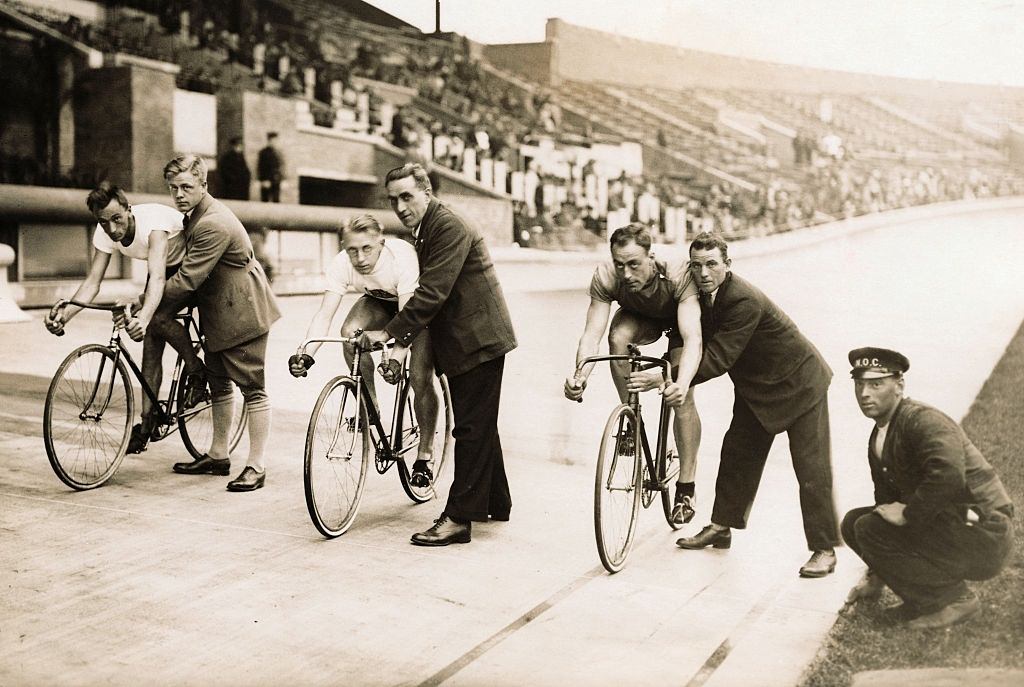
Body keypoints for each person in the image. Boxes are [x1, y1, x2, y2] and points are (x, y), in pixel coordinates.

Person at [359, 163, 516, 546]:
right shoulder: (427, 227)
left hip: (477, 338)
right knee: (478, 422)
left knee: (470, 427)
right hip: (469, 338)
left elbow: (431, 293)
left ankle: (460, 518)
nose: (400, 206)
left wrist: (390, 333)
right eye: (393, 199)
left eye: (407, 196)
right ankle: (497, 500)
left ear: (427, 193)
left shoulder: (446, 226)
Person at [675, 232, 840, 578]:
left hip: (800, 383)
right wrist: (667, 366)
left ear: (727, 266)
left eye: (711, 265)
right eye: (696, 265)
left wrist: (672, 379)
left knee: (811, 468)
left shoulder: (742, 300)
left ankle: (824, 549)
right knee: (737, 452)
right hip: (757, 386)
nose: (703, 273)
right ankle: (721, 527)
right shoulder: (699, 297)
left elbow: (718, 357)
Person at [841, 347, 1014, 629]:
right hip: (952, 524)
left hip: (986, 529)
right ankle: (923, 601)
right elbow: (885, 502)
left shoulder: (923, 420)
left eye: (876, 383)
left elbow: (948, 476)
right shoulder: (881, 434)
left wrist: (908, 514)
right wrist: (876, 577)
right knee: (855, 523)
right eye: (859, 384)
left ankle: (954, 600)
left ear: (899, 385)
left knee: (868, 528)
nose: (864, 393)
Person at [43, 183, 201, 454]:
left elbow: (159, 278)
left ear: (129, 210)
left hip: (190, 268)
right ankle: (147, 423)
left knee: (157, 319)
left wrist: (144, 315)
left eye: (117, 219)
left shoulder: (153, 225)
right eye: (104, 223)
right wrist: (65, 316)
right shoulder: (105, 231)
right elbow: (93, 283)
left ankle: (196, 369)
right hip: (161, 269)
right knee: (150, 346)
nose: (113, 229)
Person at [563, 223, 703, 525]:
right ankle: (631, 419)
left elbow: (693, 338)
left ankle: (686, 489)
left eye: (634, 264)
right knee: (617, 340)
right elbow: (592, 334)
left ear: (651, 257)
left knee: (682, 394)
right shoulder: (607, 276)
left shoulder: (677, 272)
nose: (626, 274)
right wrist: (580, 374)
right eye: (620, 264)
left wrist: (677, 379)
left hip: (677, 321)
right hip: (640, 318)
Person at [160, 155, 281, 492]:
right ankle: (218, 455)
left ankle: (257, 466)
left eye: (187, 186)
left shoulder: (213, 223)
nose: (180, 194)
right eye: (173, 188)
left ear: (204, 185)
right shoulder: (197, 216)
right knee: (219, 383)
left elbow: (187, 280)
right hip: (222, 314)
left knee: (253, 389)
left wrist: (146, 302)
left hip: (243, 314)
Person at [289, 214, 440, 484]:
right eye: (352, 250)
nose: (359, 258)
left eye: (367, 249)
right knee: (350, 335)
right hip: (379, 301)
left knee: (419, 376)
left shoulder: (401, 258)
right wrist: (306, 353)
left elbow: (408, 318)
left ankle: (424, 456)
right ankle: (370, 407)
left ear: (381, 243)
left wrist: (395, 358)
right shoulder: (341, 263)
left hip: (415, 308)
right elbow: (325, 314)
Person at [257, 132, 285, 203]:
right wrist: (263, 180)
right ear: (269, 141)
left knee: (276, 200)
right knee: (265, 200)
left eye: (276, 140)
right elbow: (261, 167)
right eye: (273, 140)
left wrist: (282, 179)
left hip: (276, 180)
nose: (275, 142)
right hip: (267, 180)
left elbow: (281, 166)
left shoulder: (278, 153)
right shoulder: (264, 152)